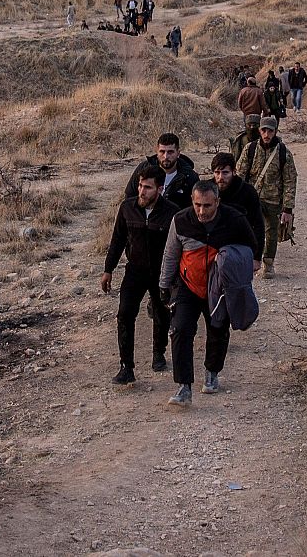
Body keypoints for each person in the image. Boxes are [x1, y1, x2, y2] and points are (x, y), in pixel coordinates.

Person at [158, 181, 258, 407]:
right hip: (188, 285)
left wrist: (236, 275)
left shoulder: (234, 220)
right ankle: (184, 387)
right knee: (180, 330)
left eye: (207, 206)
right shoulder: (181, 221)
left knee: (217, 329)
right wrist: (164, 286)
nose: (202, 211)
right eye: (197, 205)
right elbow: (171, 254)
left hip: (220, 288)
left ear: (218, 202)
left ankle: (212, 372)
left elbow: (250, 250)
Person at [102, 164, 180, 384]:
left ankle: (159, 353)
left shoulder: (172, 212)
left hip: (162, 273)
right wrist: (108, 270)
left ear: (160, 189)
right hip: (134, 270)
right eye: (140, 186)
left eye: (147, 187)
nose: (142, 191)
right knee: (125, 315)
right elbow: (117, 240)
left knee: (161, 313)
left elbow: (177, 246)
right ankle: (126, 367)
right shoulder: (127, 208)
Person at [236, 116, 297, 278]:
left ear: (275, 131)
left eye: (270, 130)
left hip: (273, 200)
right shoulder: (250, 149)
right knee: (249, 230)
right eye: (264, 130)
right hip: (251, 199)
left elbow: (290, 180)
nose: (266, 134)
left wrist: (288, 208)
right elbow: (239, 175)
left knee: (271, 233)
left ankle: (268, 265)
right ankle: (250, 261)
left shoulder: (284, 153)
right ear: (259, 131)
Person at [123, 133, 199, 211]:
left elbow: (194, 208)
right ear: (157, 152)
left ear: (178, 153)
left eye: (170, 152)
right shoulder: (144, 168)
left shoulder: (189, 176)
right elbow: (130, 196)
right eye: (162, 152)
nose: (166, 156)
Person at [209, 152, 264, 259]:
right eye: (217, 172)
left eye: (225, 173)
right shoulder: (207, 190)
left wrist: (257, 257)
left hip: (239, 247)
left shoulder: (248, 192)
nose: (221, 177)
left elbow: (258, 226)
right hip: (212, 249)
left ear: (234, 172)